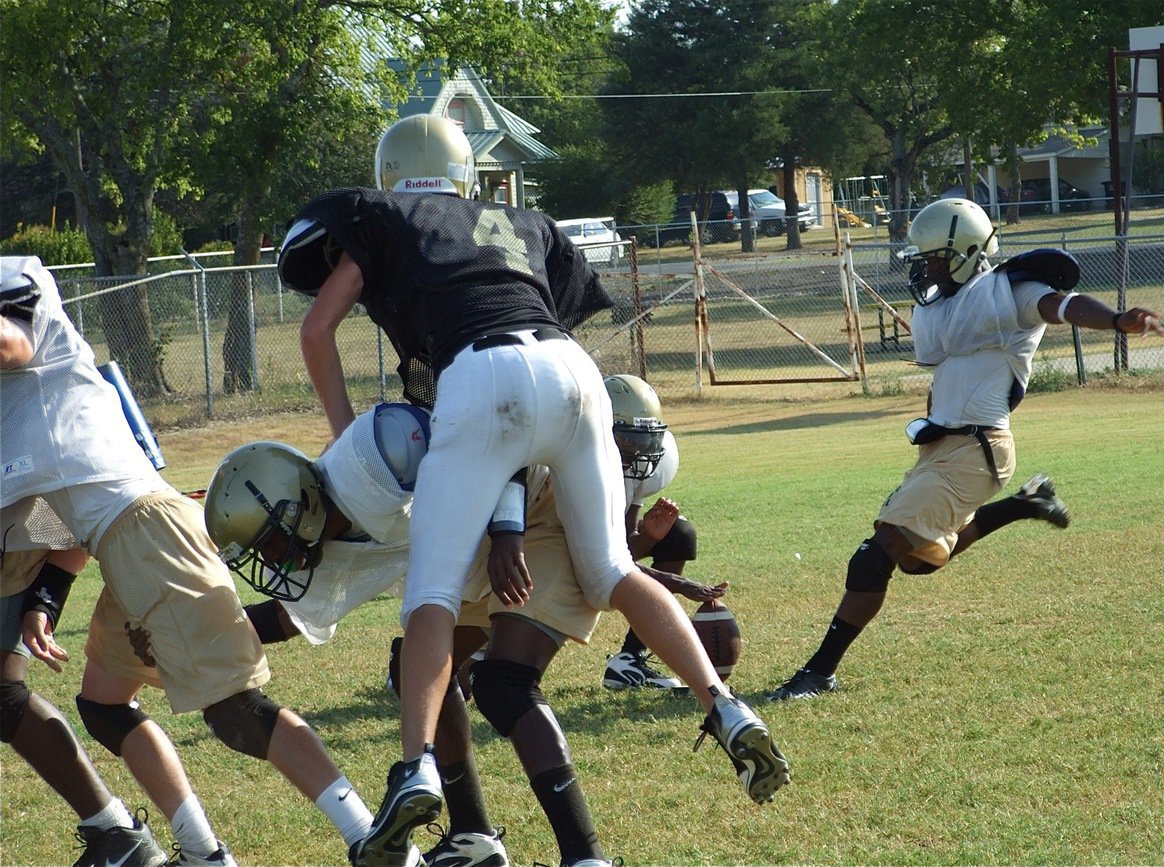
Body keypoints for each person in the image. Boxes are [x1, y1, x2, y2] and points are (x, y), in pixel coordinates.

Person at [277, 114, 788, 865]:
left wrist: (346, 437)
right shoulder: (523, 216)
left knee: (432, 596)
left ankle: (416, 763)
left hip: (478, 375)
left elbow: (318, 330)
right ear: (464, 173)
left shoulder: (381, 214)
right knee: (612, 566)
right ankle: (726, 704)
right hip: (575, 373)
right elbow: (535, 336)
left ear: (392, 174)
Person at [206, 402, 727, 867]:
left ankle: (585, 855)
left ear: (297, 505)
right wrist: (185, 634)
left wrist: (507, 531)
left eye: (270, 545)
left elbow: (495, 444)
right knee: (416, 668)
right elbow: (279, 622)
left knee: (504, 682)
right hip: (475, 550)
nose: (274, 562)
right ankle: (473, 834)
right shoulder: (323, 543)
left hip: (535, 512)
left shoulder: (378, 451)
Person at [0, 255, 378, 864]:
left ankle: (370, 838)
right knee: (103, 704)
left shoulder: (25, 319)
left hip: (148, 533)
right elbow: (62, 513)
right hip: (122, 544)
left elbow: (11, 341)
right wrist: (46, 598)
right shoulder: (45, 416)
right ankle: (204, 854)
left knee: (238, 710)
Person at [767, 198, 1164, 702]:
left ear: (966, 251)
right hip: (946, 448)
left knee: (875, 555)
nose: (928, 268)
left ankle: (818, 672)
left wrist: (1115, 320)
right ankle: (1027, 503)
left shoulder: (1013, 290)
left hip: (978, 448)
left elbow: (1062, 306)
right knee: (918, 561)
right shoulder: (949, 306)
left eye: (937, 258)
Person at [0, 500, 167, 867]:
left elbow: (87, 503)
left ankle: (118, 831)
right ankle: (115, 831)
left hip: (15, 550)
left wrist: (46, 598)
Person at [598, 374, 722, 691]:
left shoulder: (649, 463)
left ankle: (630, 659)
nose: (639, 451)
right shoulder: (576, 466)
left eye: (645, 440)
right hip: (539, 553)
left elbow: (622, 547)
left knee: (678, 535)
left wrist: (650, 537)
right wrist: (678, 584)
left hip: (589, 551)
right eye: (627, 440)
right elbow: (595, 557)